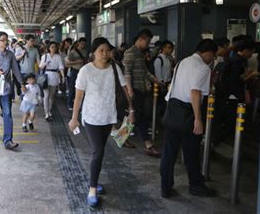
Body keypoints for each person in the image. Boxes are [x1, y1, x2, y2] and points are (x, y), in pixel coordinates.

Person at [69, 37, 134, 207]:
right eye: (101, 51)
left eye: (107, 50)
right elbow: (78, 97)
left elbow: (124, 88)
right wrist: (74, 118)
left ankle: (94, 180)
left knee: (101, 151)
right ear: (93, 53)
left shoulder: (114, 68)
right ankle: (92, 188)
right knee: (97, 152)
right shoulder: (85, 71)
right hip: (91, 117)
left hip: (108, 116)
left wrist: (131, 109)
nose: (105, 54)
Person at [160, 39, 218, 198]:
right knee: (192, 153)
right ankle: (196, 186)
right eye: (213, 56)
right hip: (189, 114)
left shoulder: (181, 62)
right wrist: (198, 119)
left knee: (169, 153)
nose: (212, 59)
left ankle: (165, 188)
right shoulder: (203, 67)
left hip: (173, 111)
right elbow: (195, 92)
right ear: (207, 52)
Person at [123, 29, 164, 157]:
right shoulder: (130, 53)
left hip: (141, 90)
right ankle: (148, 144)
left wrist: (157, 81)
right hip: (134, 90)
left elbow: (145, 72)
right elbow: (127, 72)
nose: (148, 45)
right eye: (147, 42)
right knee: (140, 117)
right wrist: (129, 89)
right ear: (141, 39)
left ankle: (122, 137)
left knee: (136, 117)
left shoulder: (140, 54)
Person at [39, 42, 65, 121]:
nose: (53, 48)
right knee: (46, 95)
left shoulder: (58, 56)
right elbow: (40, 67)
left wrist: (63, 76)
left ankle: (49, 110)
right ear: (49, 48)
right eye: (52, 47)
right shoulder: (45, 56)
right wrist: (45, 64)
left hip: (55, 76)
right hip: (46, 76)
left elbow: (61, 66)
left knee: (52, 95)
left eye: (55, 47)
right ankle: (46, 113)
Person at [66, 37, 88, 110]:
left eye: (84, 44)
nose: (83, 45)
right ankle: (70, 104)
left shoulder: (85, 51)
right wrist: (77, 62)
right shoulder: (73, 52)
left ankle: (81, 105)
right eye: (81, 43)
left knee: (83, 88)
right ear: (78, 43)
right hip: (75, 70)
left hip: (83, 72)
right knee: (72, 87)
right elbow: (68, 62)